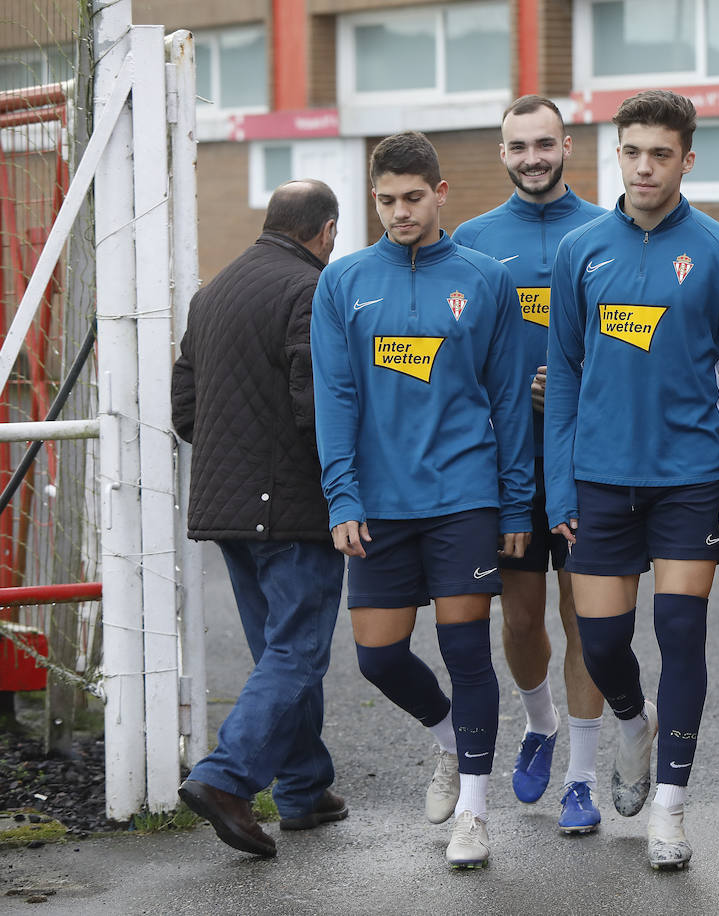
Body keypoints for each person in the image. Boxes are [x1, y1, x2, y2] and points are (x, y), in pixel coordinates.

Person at [544, 89, 719, 869]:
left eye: (661, 154)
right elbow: (564, 374)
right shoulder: (581, 250)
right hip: (600, 481)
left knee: (680, 633)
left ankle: (670, 809)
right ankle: (632, 724)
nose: (645, 167)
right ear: (616, 154)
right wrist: (558, 485)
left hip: (690, 481)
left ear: (687, 160)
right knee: (602, 643)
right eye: (633, 151)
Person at [310, 131, 534, 870]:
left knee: (467, 648)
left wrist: (511, 506)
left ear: (441, 194)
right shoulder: (342, 284)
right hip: (377, 501)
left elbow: (506, 398)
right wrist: (341, 496)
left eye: (412, 198)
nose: (399, 213)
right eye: (385, 201)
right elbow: (335, 398)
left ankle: (474, 807)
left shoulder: (484, 278)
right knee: (377, 657)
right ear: (371, 199)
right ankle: (450, 740)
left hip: (463, 495)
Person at [172, 180, 347, 858]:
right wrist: (339, 482)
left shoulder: (211, 293)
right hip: (293, 505)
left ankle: (303, 788)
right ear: (325, 232)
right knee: (298, 648)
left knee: (279, 648)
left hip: (227, 507)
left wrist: (234, 462)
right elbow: (316, 406)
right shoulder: (308, 290)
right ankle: (226, 777)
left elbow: (185, 403)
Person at [453, 95, 608, 835]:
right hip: (508, 467)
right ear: (503, 153)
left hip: (589, 467)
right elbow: (455, 354)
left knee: (589, 621)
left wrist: (583, 382)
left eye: (544, 143)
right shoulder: (474, 240)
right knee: (519, 620)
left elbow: (637, 344)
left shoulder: (608, 232)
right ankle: (539, 721)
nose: (532, 158)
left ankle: (582, 778)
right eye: (519, 147)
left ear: (568, 145)